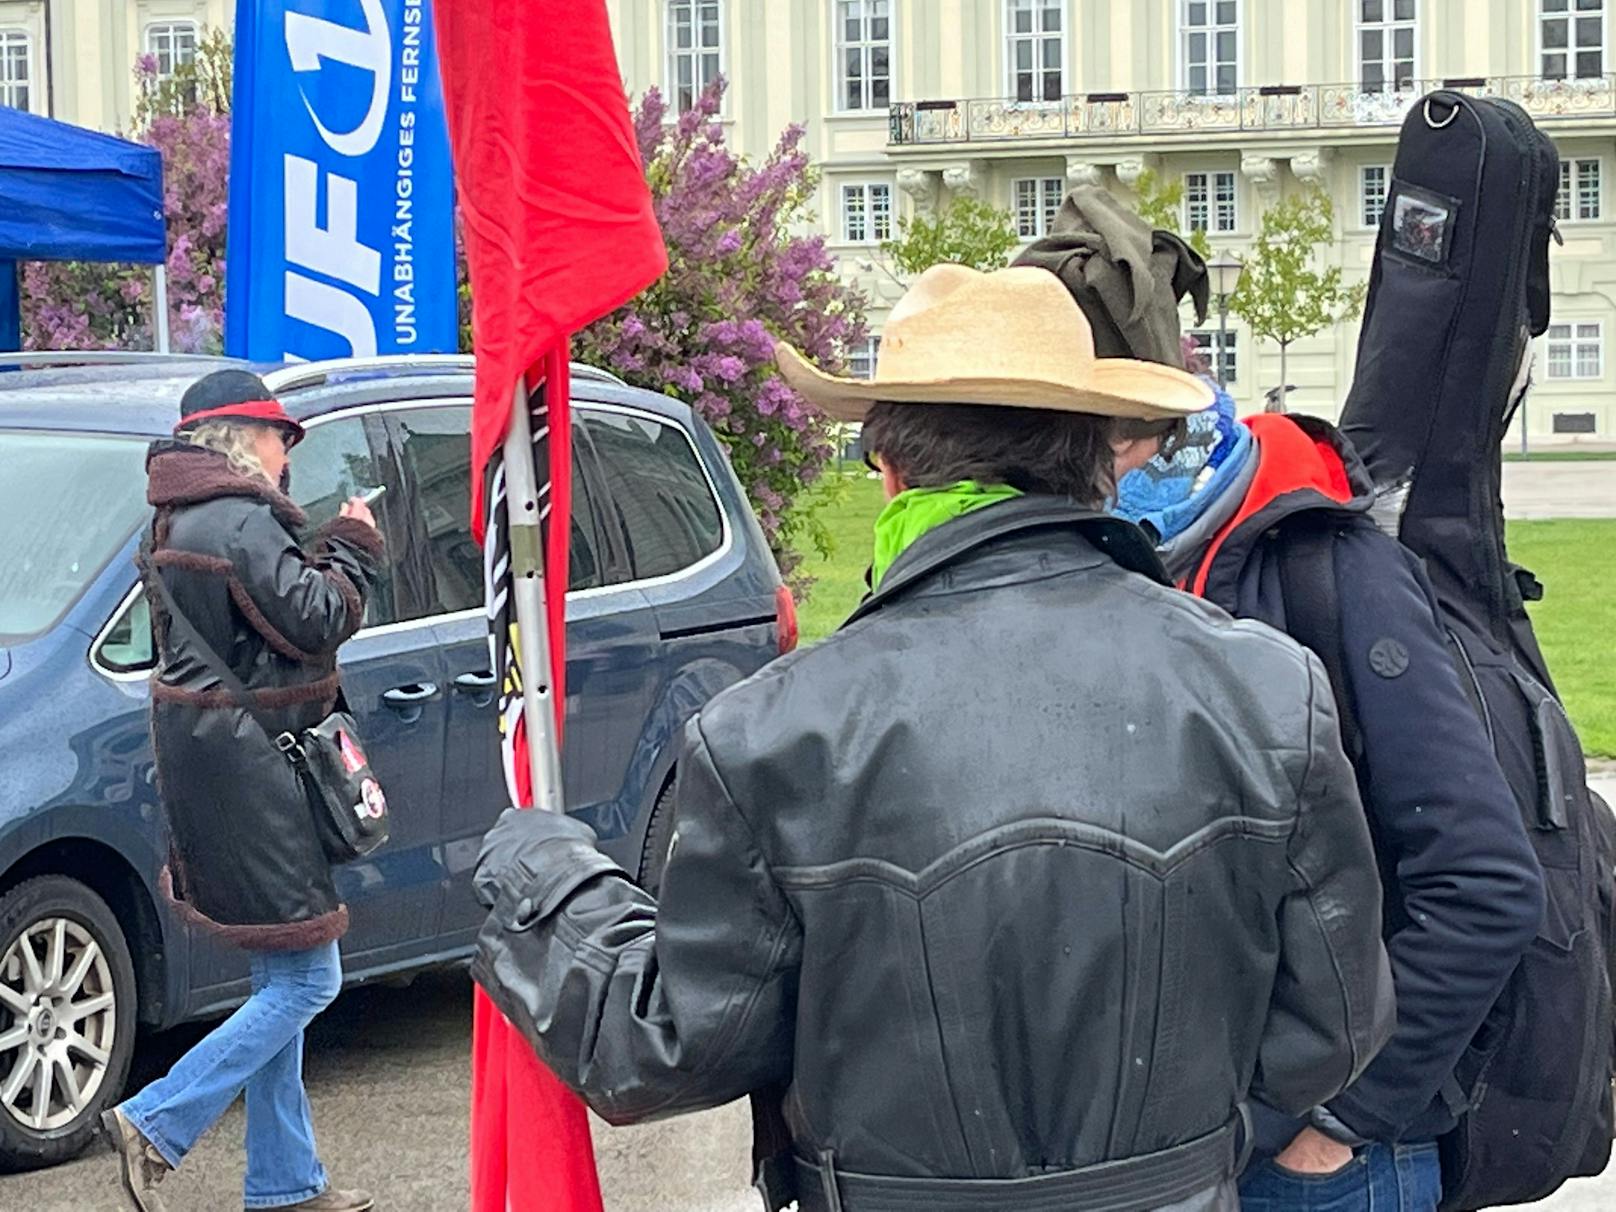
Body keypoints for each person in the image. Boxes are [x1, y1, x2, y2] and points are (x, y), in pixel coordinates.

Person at [471, 264, 1394, 1212]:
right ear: (1096, 461)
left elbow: (663, 1049)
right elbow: (1332, 1026)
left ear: (891, 472)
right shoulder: (1270, 690)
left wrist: (543, 879)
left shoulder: (775, 731)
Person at [1019, 188, 1546, 1212]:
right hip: (1148, 1152)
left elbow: (1479, 880)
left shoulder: (1328, 569)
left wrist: (1337, 1121)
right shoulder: (1077, 561)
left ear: (1134, 423)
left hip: (1314, 1166)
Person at [101, 370, 384, 1212]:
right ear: (238, 438)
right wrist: (353, 546)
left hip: (218, 760)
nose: (287, 450)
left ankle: (285, 1182)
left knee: (279, 977)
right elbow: (316, 619)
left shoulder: (175, 517)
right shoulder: (240, 519)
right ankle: (155, 1119)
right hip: (259, 768)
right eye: (279, 436)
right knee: (308, 982)